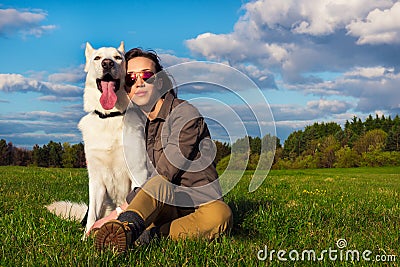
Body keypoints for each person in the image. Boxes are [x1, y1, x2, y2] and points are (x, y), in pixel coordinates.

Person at [91, 48, 233, 252]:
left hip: (201, 205)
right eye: (131, 78)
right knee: (157, 187)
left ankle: (140, 234)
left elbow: (167, 170)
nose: (139, 82)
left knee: (221, 215)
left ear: (158, 82)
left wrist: (118, 212)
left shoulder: (184, 113)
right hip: (167, 204)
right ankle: (127, 230)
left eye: (146, 76)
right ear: (126, 88)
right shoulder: (144, 125)